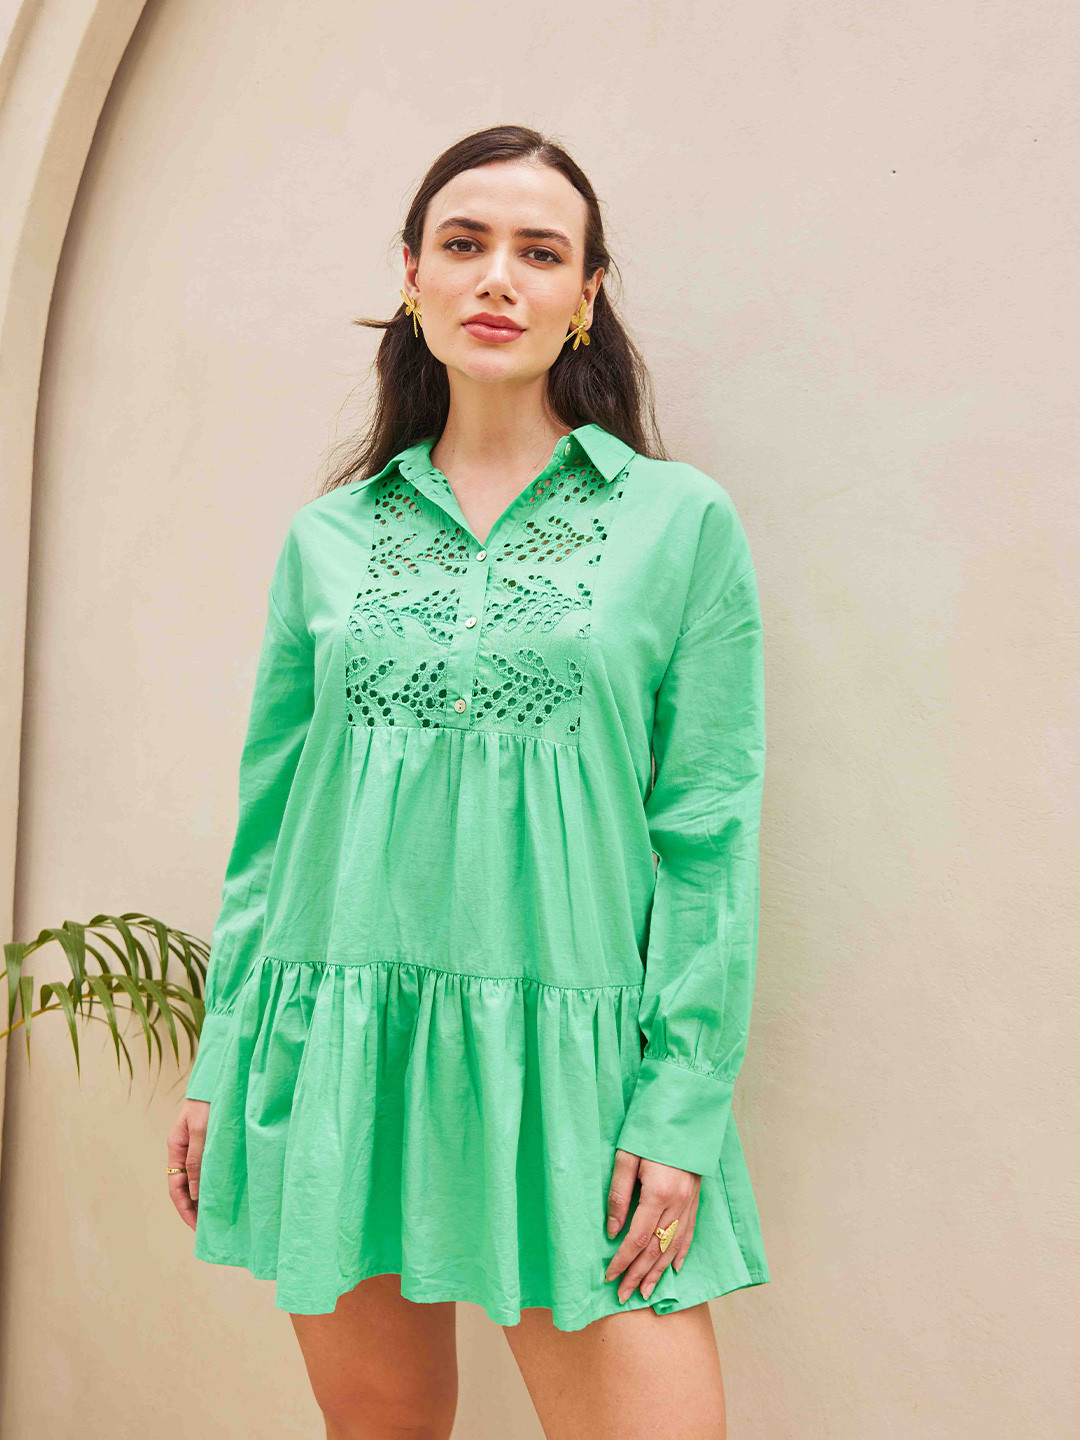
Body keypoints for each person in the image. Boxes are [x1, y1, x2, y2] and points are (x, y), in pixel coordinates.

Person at [167, 123, 769, 1439]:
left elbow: (708, 838)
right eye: (465, 243)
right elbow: (271, 827)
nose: (499, 276)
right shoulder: (329, 540)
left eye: (540, 253)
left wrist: (680, 1107)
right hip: (340, 1045)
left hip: (572, 1069)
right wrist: (222, 1057)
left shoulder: (679, 524)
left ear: (585, 295)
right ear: (413, 277)